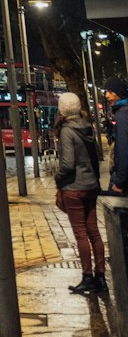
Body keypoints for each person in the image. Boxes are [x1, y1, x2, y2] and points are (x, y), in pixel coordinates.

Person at [54, 91, 107, 294]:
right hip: (91, 186)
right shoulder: (87, 126)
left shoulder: (67, 131)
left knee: (81, 234)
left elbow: (67, 164)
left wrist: (57, 179)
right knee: (94, 231)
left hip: (74, 188)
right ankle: (100, 276)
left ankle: (87, 276)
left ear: (62, 109)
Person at [105, 76, 128, 196]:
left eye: (110, 92)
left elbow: (124, 150)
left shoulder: (123, 114)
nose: (107, 96)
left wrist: (119, 181)